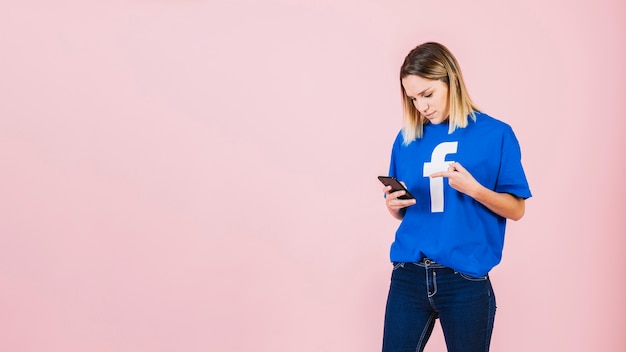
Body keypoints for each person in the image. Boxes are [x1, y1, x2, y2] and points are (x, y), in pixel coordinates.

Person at [380, 42, 532, 352]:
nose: (422, 106)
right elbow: (412, 212)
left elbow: (516, 210)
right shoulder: (407, 138)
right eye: (413, 98)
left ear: (451, 80)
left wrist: (474, 189)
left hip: (464, 278)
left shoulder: (495, 134)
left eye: (428, 94)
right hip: (409, 274)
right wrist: (394, 206)